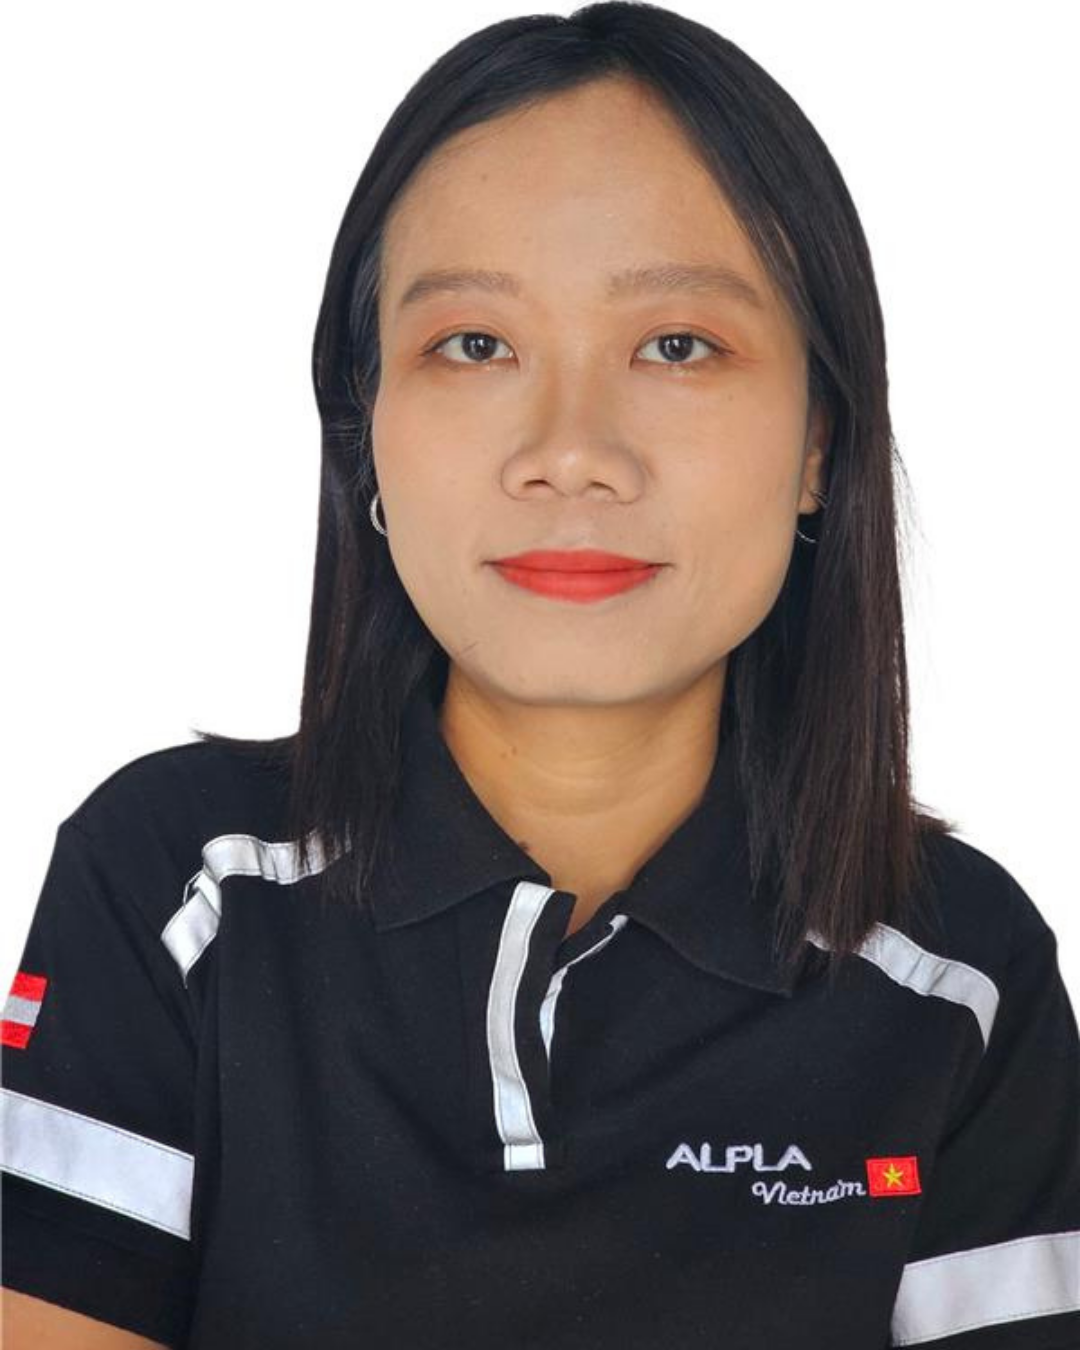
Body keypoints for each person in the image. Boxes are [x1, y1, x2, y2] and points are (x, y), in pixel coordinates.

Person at [2, 3, 1078, 1347]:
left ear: (820, 442)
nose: (572, 452)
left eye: (678, 345)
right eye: (475, 344)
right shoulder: (175, 890)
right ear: (366, 432)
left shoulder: (961, 980)